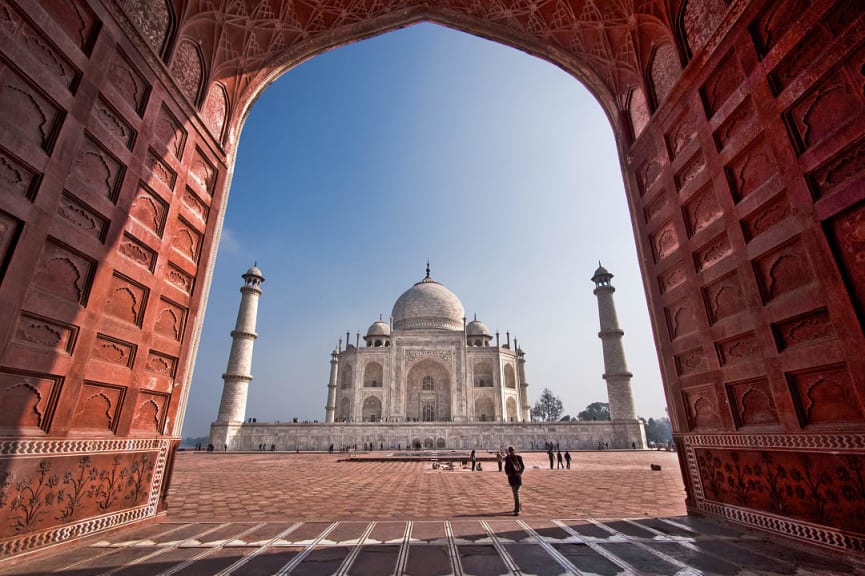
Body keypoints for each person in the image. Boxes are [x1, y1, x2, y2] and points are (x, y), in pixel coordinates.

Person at [504, 446, 524, 515]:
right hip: (511, 478)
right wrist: (507, 473)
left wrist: (519, 472)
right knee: (515, 494)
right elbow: (506, 467)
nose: (511, 451)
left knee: (516, 494)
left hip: (517, 478)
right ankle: (518, 507)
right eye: (510, 450)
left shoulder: (519, 458)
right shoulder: (507, 458)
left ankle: (517, 510)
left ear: (514, 450)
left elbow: (522, 466)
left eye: (512, 450)